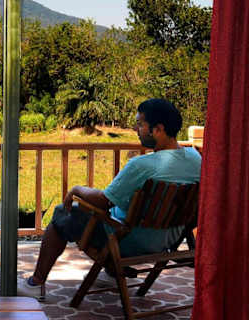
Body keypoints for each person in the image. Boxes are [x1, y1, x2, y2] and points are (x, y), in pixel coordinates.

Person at [18, 98, 201, 299]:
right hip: (167, 241)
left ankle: (36, 283)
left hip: (129, 243)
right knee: (116, 216)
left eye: (140, 124)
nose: (136, 129)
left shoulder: (141, 165)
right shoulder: (196, 160)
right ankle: (113, 273)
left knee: (63, 214)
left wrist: (76, 189)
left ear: (158, 129)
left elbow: (105, 200)